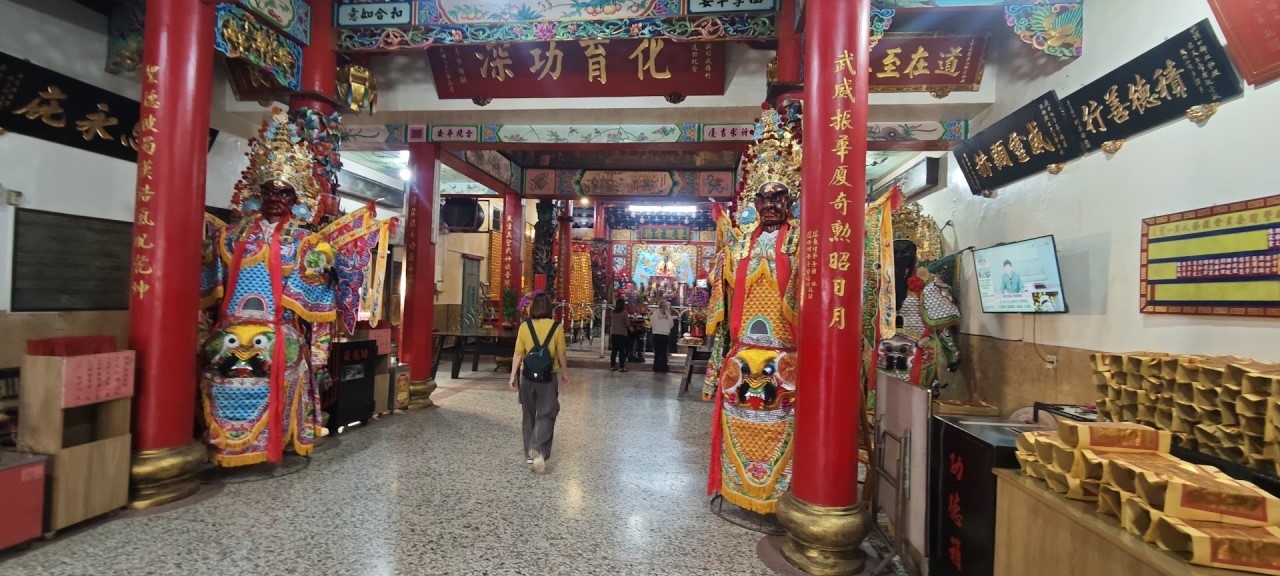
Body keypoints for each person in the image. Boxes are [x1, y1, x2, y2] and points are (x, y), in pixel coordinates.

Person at [199, 109, 389, 467]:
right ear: (257, 191)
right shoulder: (230, 236)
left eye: (284, 192)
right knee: (219, 359)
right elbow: (209, 290)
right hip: (230, 329)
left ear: (295, 197)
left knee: (279, 355)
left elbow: (317, 303)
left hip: (277, 330)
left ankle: (277, 441)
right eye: (269, 190)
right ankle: (227, 446)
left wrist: (317, 354)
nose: (276, 197)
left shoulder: (304, 244)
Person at [702, 104, 801, 514]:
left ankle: (782, 497)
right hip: (741, 358)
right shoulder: (739, 245)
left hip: (786, 359)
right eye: (765, 197)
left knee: (785, 427)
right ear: (754, 201)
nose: (772, 204)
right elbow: (722, 301)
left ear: (791, 200)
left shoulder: (801, 242)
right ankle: (737, 488)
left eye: (780, 196)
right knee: (739, 423)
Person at [508, 293, 569, 474]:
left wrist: (512, 376)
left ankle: (529, 453)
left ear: (533, 307)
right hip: (547, 377)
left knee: (528, 413)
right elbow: (561, 353)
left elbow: (518, 353)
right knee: (547, 412)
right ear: (549, 308)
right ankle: (538, 448)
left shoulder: (524, 327)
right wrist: (565, 372)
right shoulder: (556, 328)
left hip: (526, 377)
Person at [650, 299, 675, 373]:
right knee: (664, 352)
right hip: (665, 335)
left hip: (656, 334)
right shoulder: (668, 315)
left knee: (657, 352)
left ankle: (656, 367)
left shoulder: (655, 314)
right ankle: (664, 368)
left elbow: (651, 324)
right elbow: (671, 325)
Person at [609, 298, 630, 372]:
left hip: (614, 333)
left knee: (614, 351)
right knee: (621, 351)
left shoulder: (613, 312)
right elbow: (627, 324)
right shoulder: (624, 313)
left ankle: (612, 366)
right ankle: (622, 367)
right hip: (622, 334)